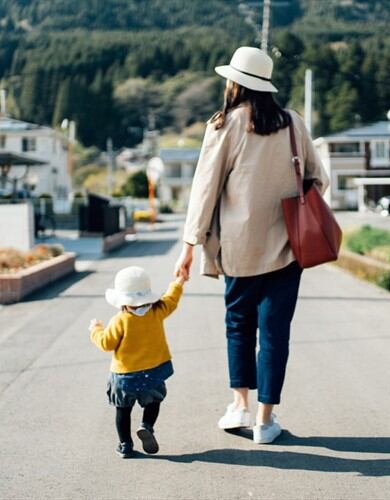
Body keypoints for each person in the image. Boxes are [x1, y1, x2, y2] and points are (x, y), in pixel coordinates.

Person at [174, 46, 329, 444]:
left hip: (239, 249)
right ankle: (265, 420)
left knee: (239, 327)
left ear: (236, 83)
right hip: (289, 247)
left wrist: (190, 244)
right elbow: (319, 179)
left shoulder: (224, 124)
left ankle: (239, 406)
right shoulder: (293, 123)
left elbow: (205, 189)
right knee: (275, 332)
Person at [90, 266, 185, 458]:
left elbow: (106, 343)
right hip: (154, 372)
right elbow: (171, 300)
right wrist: (178, 282)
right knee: (154, 402)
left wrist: (95, 329)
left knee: (123, 410)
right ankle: (147, 425)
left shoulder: (121, 319)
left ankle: (125, 444)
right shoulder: (157, 310)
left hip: (125, 376)